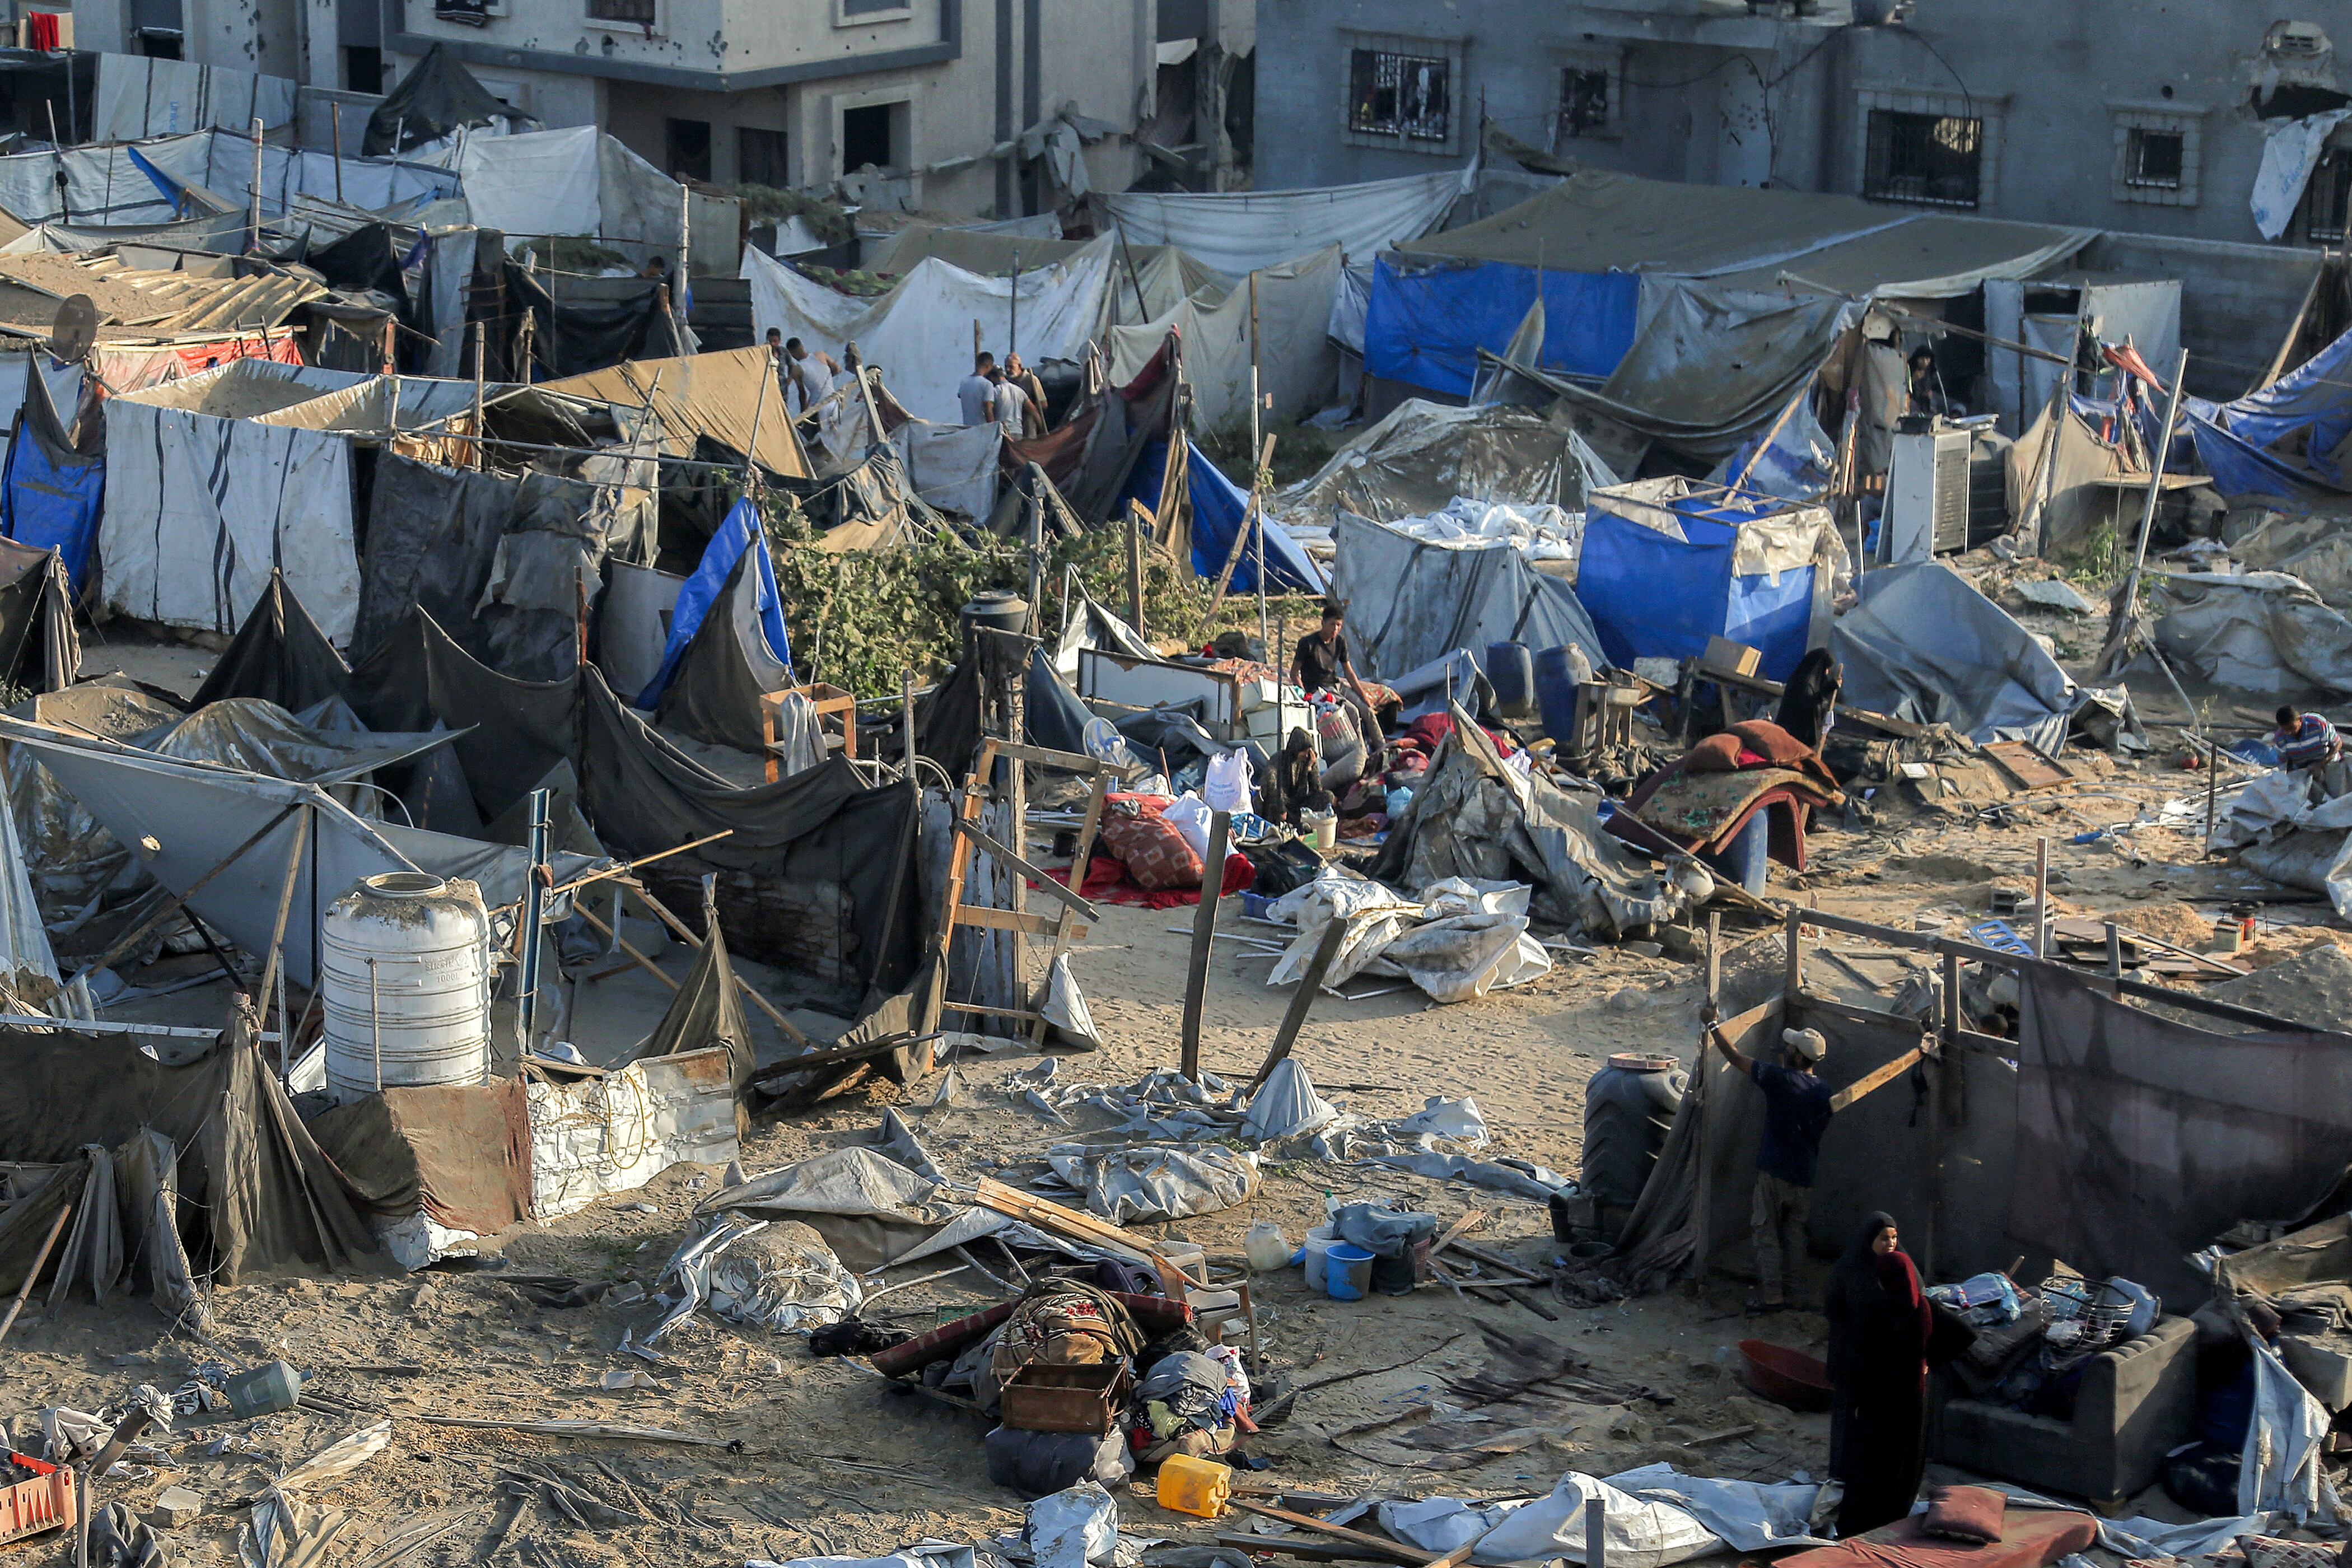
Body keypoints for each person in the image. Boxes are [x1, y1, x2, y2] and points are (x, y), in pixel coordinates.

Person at [1703, 1009, 1834, 1313]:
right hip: (1805, 1175)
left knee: (1766, 1233)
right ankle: (1795, 1292)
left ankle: (1773, 1296)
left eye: (1791, 1049)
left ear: (1800, 1057)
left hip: (1775, 1172)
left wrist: (1712, 1024)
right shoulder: (1824, 1091)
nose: (1786, 1050)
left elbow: (1735, 1059)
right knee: (1794, 1236)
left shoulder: (1780, 1079)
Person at [1824, 1212, 1933, 1536]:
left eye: (1895, 1238)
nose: (1891, 1244)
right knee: (1847, 1419)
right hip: (1852, 1358)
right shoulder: (1849, 1269)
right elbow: (1833, 1309)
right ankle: (1840, 1475)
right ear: (1869, 1239)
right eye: (1884, 1238)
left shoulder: (1902, 1268)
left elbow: (1918, 1304)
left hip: (1883, 1368)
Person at [1292, 600, 1382, 742]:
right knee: (1352, 711)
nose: (1335, 628)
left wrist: (1363, 694)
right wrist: (1305, 696)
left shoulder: (1340, 642)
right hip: (1319, 689)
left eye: (1338, 625)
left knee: (1367, 710)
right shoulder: (1307, 643)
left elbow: (1349, 672)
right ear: (1323, 623)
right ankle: (1359, 749)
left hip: (1336, 684)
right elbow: (1294, 673)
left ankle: (1382, 747)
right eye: (1332, 624)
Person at [1775, 648, 1844, 753]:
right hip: (1794, 736)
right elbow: (1808, 703)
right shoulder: (1805, 683)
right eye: (1826, 668)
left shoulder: (1806, 680)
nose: (1827, 672)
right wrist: (1829, 688)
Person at [2275, 705, 2348, 797]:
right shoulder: (2280, 738)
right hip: (2304, 771)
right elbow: (2285, 764)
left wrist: (2321, 764)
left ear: (2300, 721)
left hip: (2329, 764)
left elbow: (2337, 744)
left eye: (2292, 728)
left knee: (2338, 797)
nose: (2288, 733)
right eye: (2285, 730)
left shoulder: (2318, 724)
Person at [785, 336, 842, 413]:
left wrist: (803, 414)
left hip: (818, 408)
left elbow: (802, 394)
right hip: (834, 402)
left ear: (792, 353)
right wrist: (825, 379)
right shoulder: (821, 355)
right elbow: (837, 369)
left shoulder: (797, 369)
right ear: (802, 346)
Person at [1003, 351, 1048, 438]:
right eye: (1006, 367)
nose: (1008, 370)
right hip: (1011, 422)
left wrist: (1028, 408)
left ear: (1019, 366)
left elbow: (1043, 404)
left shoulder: (1031, 379)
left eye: (1011, 367)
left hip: (1027, 421)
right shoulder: (1006, 380)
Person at [988, 364, 1032, 440]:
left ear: (992, 378)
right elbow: (1034, 411)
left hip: (1003, 433)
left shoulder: (995, 391)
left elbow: (988, 410)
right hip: (1018, 432)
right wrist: (1042, 431)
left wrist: (993, 430)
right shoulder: (1019, 390)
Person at [1906, 345, 1949, 419]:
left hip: (1928, 401)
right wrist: (1913, 380)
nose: (1925, 362)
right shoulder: (1909, 369)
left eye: (1927, 359)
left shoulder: (1929, 370)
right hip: (1912, 400)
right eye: (1922, 359)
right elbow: (1903, 388)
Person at [958, 352, 998, 426]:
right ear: (989, 367)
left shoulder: (964, 382)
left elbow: (960, 395)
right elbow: (988, 409)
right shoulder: (987, 384)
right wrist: (993, 427)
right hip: (981, 429)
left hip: (967, 427)